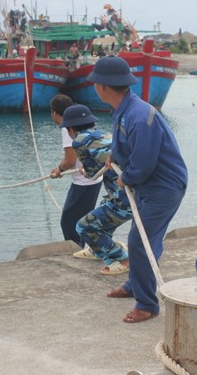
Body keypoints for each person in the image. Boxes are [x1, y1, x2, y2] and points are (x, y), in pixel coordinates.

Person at [87, 56, 188, 324]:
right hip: (150, 186)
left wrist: (126, 177)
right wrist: (115, 159)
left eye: (96, 83)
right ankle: (135, 285)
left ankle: (147, 304)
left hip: (163, 188)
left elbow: (142, 164)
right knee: (147, 240)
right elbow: (127, 147)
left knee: (139, 242)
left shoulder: (139, 116)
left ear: (103, 87)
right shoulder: (123, 109)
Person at [59, 104, 132, 275]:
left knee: (83, 226)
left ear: (70, 128)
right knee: (103, 204)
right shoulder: (104, 134)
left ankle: (121, 258)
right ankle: (96, 248)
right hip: (132, 190)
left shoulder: (78, 141)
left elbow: (92, 174)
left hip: (125, 199)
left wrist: (85, 170)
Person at [49, 94, 102, 249]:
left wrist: (59, 170)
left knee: (68, 222)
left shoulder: (68, 128)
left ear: (54, 113)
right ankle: (83, 247)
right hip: (93, 179)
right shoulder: (81, 122)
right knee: (82, 219)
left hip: (83, 182)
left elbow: (70, 160)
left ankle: (77, 250)